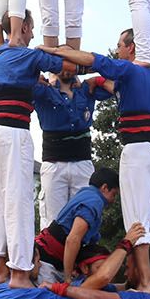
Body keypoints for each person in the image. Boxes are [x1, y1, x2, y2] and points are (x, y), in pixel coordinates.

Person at [43, 28, 150, 289]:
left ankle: (147, 280)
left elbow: (97, 65)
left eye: (120, 46)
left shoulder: (122, 74)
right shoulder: (45, 90)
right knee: (55, 223)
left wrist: (58, 53)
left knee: (132, 219)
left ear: (132, 48)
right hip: (56, 163)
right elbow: (108, 80)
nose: (117, 50)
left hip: (104, 158)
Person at [0, 8, 70, 285]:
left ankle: (0, 266)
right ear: (26, 26)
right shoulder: (28, 55)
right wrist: (53, 50)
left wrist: (47, 87)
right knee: (18, 199)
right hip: (12, 132)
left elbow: (35, 87)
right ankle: (19, 269)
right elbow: (63, 66)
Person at [34, 71, 111, 226]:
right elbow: (22, 80)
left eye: (71, 63)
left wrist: (96, 78)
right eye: (62, 64)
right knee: (52, 221)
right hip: (54, 165)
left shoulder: (86, 90)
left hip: (82, 163)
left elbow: (115, 85)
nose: (66, 68)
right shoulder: (44, 90)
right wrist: (41, 77)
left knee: (86, 217)